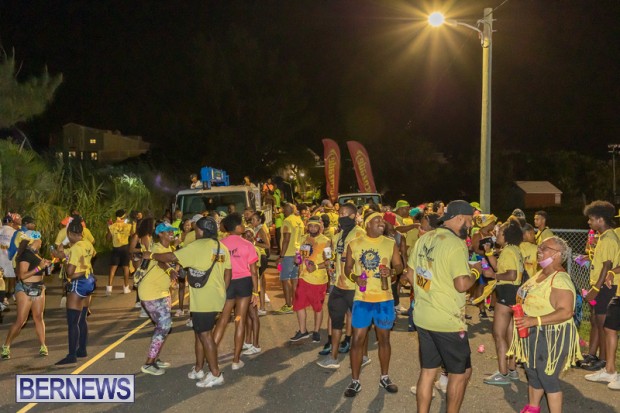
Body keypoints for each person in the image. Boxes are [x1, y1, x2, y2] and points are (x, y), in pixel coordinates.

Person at [407, 200, 486, 413]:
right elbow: (461, 284)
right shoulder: (456, 244)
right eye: (469, 221)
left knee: (427, 372)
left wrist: (429, 291)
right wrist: (476, 271)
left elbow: (410, 274)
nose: (470, 226)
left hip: (423, 316)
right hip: (447, 321)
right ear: (459, 218)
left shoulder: (425, 238)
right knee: (460, 374)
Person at [147, 216, 232, 388]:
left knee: (205, 335)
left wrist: (150, 254)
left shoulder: (197, 246)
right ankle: (199, 368)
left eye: (196, 229)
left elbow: (171, 256)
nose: (195, 231)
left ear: (201, 230)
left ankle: (216, 373)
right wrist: (221, 292)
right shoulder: (221, 247)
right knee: (199, 333)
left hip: (203, 299)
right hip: (216, 296)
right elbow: (228, 274)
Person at [509, 236, 582, 412]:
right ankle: (533, 407)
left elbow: (565, 311)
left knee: (547, 377)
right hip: (532, 331)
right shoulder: (541, 273)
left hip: (551, 334)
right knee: (532, 372)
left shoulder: (560, 279)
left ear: (557, 254)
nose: (539, 250)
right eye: (539, 247)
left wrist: (534, 320)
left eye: (545, 248)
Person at [343, 211, 403, 397]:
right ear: (368, 224)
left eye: (382, 220)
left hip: (384, 299)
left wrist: (392, 272)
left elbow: (399, 266)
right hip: (362, 299)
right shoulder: (354, 244)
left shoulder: (390, 243)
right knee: (357, 340)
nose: (382, 222)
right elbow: (347, 268)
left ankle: (385, 377)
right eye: (377, 220)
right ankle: (355, 381)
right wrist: (355, 278)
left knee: (384, 339)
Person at [317, 202, 366, 369]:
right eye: (340, 214)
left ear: (353, 216)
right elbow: (331, 255)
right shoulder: (337, 236)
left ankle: (362, 355)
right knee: (336, 321)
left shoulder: (360, 234)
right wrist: (328, 260)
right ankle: (333, 357)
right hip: (338, 285)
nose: (341, 217)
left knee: (359, 324)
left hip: (355, 287)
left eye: (344, 214)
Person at [213, 213, 259, 371]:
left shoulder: (220, 245)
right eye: (242, 223)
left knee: (223, 320)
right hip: (244, 284)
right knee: (240, 319)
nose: (244, 226)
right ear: (237, 227)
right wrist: (256, 292)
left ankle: (211, 357)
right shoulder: (247, 244)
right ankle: (235, 360)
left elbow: (218, 267)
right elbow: (254, 272)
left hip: (227, 283)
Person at [482, 218, 525, 386]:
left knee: (498, 335)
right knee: (510, 335)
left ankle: (503, 373)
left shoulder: (508, 251)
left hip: (507, 294)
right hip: (515, 294)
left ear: (506, 235)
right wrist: (488, 253)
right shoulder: (514, 249)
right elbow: (500, 268)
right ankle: (512, 370)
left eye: (499, 232)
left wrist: (493, 276)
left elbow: (511, 275)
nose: (496, 234)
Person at [581, 201, 619, 371]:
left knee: (604, 325)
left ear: (601, 220)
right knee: (596, 320)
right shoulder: (602, 237)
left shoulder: (609, 238)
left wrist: (595, 289)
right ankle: (594, 355)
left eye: (591, 219)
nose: (589, 222)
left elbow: (607, 266)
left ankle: (603, 361)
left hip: (606, 288)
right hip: (599, 287)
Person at [1, 231, 51, 359]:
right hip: (25, 289)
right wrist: (39, 268)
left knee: (38, 318)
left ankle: (43, 345)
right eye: (40, 239)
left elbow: (37, 270)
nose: (41, 241)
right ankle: (6, 345)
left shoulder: (35, 253)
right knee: (20, 321)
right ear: (34, 240)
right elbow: (22, 276)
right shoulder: (25, 255)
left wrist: (45, 266)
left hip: (38, 288)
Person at [55, 216, 97, 366]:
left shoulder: (74, 248)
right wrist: (67, 253)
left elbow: (70, 271)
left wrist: (65, 260)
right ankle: (82, 349)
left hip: (78, 283)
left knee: (73, 321)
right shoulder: (87, 244)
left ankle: (71, 355)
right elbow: (93, 254)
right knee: (82, 318)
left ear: (70, 234)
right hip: (89, 280)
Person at [137, 223, 178, 375]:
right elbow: (164, 259)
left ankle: (155, 358)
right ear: (160, 234)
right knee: (165, 325)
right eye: (168, 231)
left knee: (161, 326)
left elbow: (163, 262)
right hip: (151, 292)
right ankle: (148, 364)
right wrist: (171, 266)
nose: (172, 233)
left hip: (162, 292)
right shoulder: (156, 248)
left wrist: (171, 270)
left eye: (172, 231)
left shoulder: (167, 247)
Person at [289, 216, 331, 343]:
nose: (312, 229)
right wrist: (297, 260)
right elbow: (300, 257)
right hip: (303, 277)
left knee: (317, 307)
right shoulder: (303, 239)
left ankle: (316, 331)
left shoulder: (326, 241)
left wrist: (316, 266)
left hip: (318, 280)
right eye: (310, 226)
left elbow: (329, 262)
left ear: (320, 227)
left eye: (315, 226)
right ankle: (303, 331)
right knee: (299, 305)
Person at [276, 203, 304, 314]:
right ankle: (295, 303)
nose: (283, 211)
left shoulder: (287, 221)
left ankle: (288, 305)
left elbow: (286, 239)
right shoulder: (299, 221)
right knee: (294, 279)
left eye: (285, 209)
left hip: (288, 254)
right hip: (297, 253)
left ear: (290, 210)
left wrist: (281, 256)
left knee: (284, 279)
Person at [129, 217, 155, 317]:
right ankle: (143, 308)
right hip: (143, 262)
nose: (153, 227)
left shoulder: (148, 236)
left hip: (146, 261)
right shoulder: (143, 236)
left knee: (143, 283)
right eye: (152, 225)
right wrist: (141, 251)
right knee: (143, 283)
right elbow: (132, 249)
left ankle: (142, 304)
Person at [106, 209, 132, 295]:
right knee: (126, 267)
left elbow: (108, 239)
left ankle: (109, 288)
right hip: (125, 248)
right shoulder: (128, 226)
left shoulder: (112, 226)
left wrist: (108, 227)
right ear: (123, 216)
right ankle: (126, 288)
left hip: (116, 249)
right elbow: (132, 235)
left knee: (113, 268)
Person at [250, 211, 270, 316]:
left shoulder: (261, 229)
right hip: (257, 256)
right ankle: (260, 307)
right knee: (259, 283)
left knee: (259, 284)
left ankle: (262, 308)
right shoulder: (255, 228)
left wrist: (254, 243)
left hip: (261, 257)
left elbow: (267, 245)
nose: (252, 221)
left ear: (259, 220)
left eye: (254, 219)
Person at [0, 215, 17, 303]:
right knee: (11, 276)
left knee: (1, 277)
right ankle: (9, 293)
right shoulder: (14, 231)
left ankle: (3, 295)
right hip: (10, 256)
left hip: (0, 256)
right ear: (11, 223)